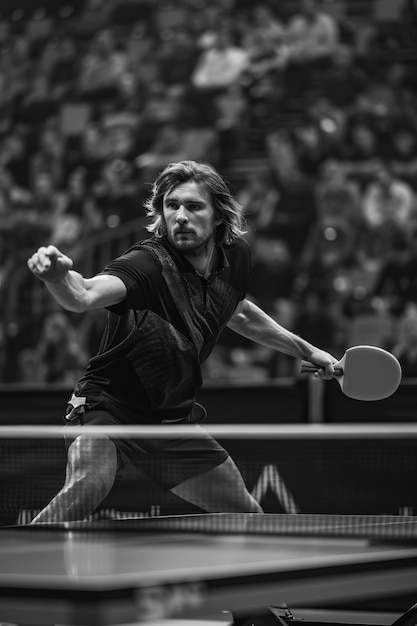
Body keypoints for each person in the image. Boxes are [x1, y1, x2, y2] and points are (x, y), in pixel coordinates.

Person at [27, 160, 337, 523]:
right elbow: (83, 296)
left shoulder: (235, 257)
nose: (180, 216)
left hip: (171, 419)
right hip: (108, 408)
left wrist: (309, 351)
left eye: (193, 206)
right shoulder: (148, 264)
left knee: (246, 515)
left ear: (219, 215)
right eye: (171, 205)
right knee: (87, 485)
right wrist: (58, 277)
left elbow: (237, 312)